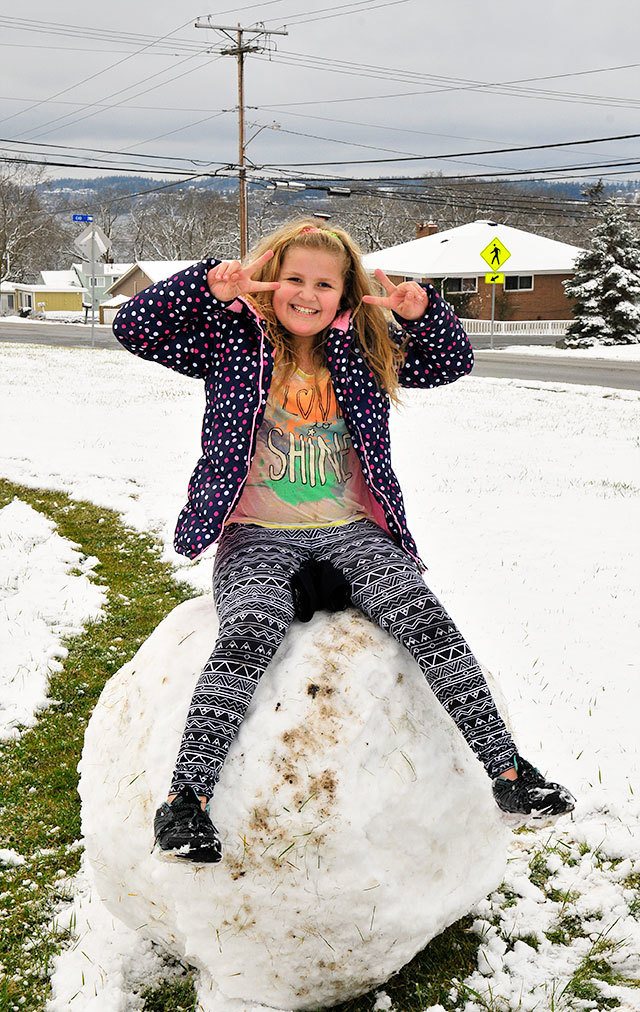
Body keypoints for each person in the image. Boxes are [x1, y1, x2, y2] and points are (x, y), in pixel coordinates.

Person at [113, 219, 575, 863]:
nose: (307, 293)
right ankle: (185, 804)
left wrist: (425, 313)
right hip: (257, 535)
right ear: (268, 280)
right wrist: (204, 286)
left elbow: (450, 364)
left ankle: (511, 775)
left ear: (346, 293)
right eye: (293, 278)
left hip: (354, 531)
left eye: (323, 284)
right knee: (250, 628)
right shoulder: (231, 341)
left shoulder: (362, 348)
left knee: (424, 618)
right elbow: (132, 329)